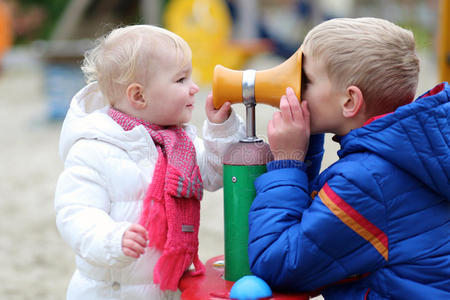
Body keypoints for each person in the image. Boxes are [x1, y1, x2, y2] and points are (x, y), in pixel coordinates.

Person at [248, 17, 449, 299]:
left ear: (350, 101)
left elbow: (276, 262)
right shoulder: (412, 152)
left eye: (305, 79)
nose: (290, 87)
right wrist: (308, 142)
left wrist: (287, 161)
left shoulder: (367, 182)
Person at [54, 24, 245, 300]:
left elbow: (217, 174)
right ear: (139, 96)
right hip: (111, 292)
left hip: (166, 286)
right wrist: (111, 238)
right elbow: (75, 213)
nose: (193, 88)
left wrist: (221, 129)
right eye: (181, 80)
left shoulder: (180, 143)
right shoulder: (94, 149)